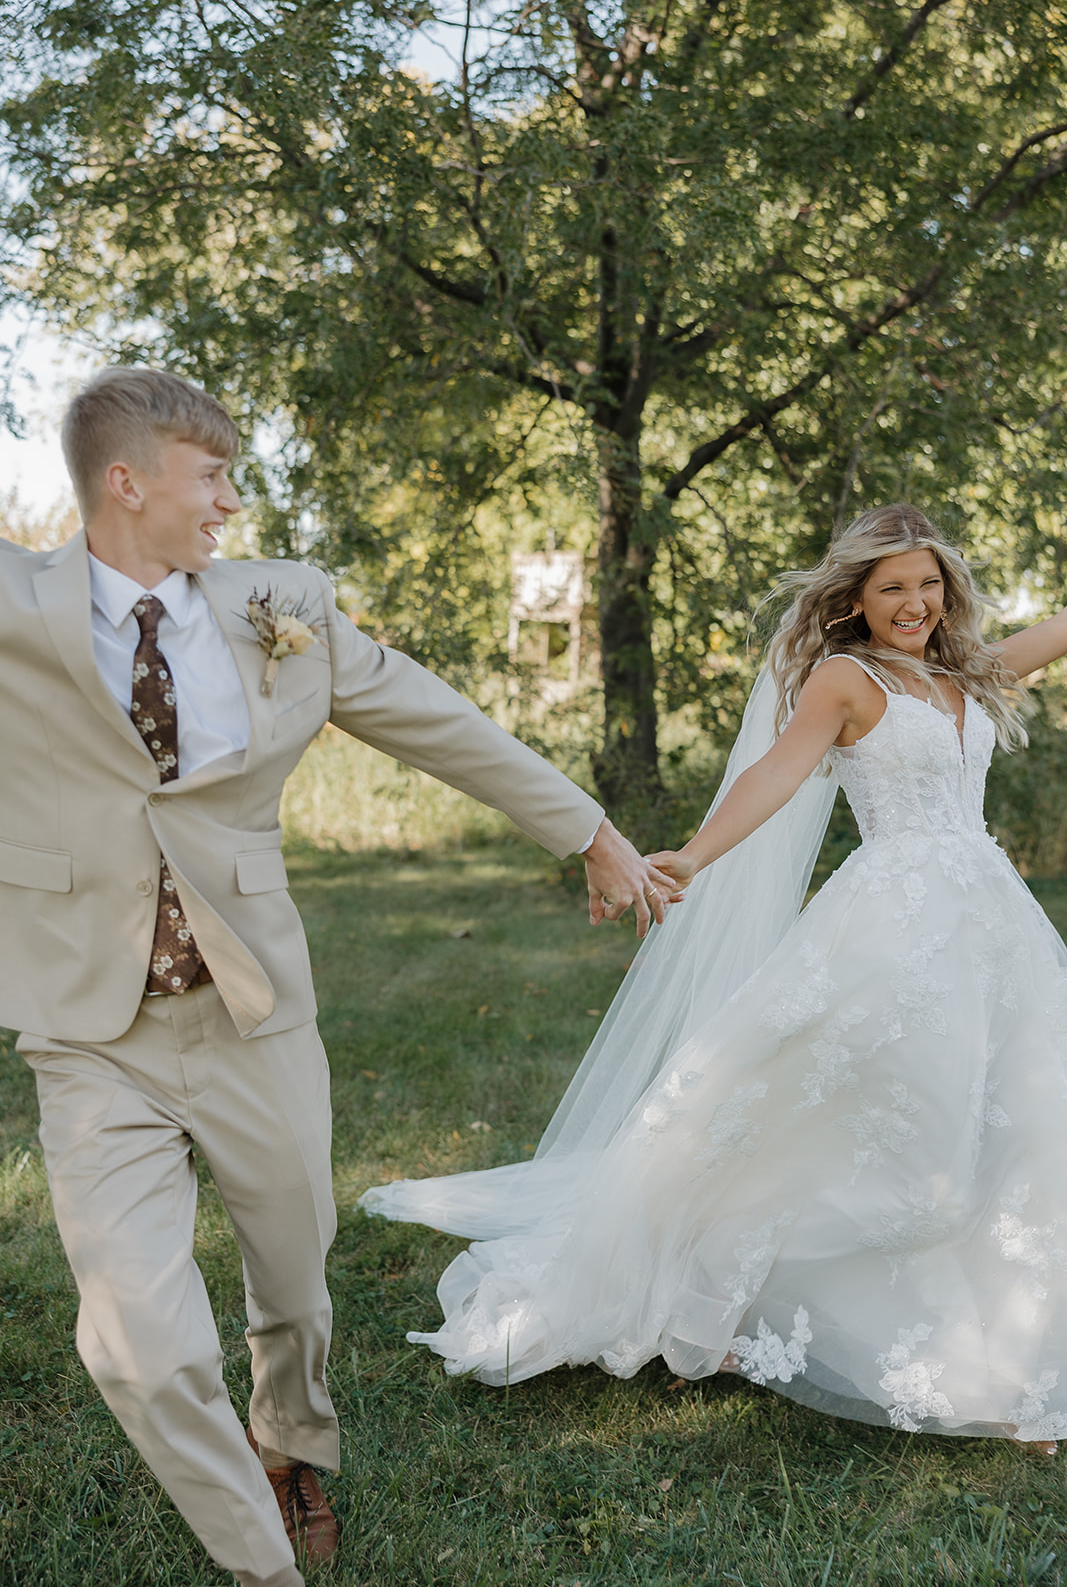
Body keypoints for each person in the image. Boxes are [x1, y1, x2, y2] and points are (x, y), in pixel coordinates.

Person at [0, 366, 675, 1587]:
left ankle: (290, 1435)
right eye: (209, 476)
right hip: (87, 1028)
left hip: (254, 1007)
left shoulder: (279, 603)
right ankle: (266, 1563)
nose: (228, 502)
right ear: (126, 479)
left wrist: (589, 831)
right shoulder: (13, 600)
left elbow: (432, 717)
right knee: (136, 1349)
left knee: (295, 1280)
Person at [363, 502, 1067, 1450]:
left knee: (1019, 1109)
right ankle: (727, 1291)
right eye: (892, 587)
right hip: (893, 919)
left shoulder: (962, 675)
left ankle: (1000, 1322)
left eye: (927, 584)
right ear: (854, 599)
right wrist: (693, 857)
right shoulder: (843, 679)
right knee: (886, 1118)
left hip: (987, 916)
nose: (914, 602)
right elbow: (775, 776)